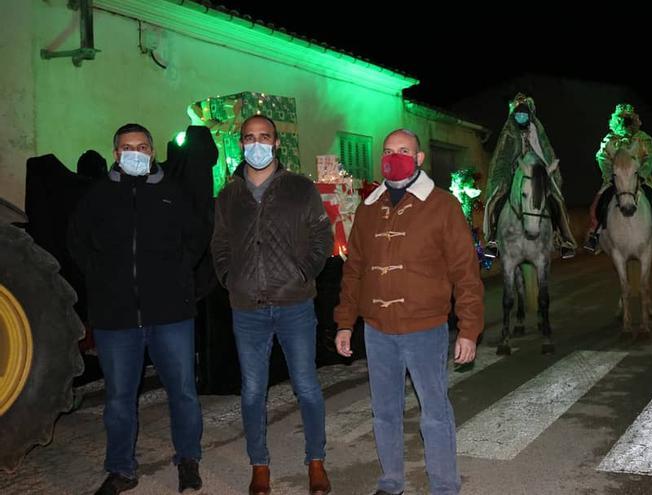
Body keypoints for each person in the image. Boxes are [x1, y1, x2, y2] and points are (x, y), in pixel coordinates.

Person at [334, 129, 484, 495]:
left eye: (404, 151)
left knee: (434, 412)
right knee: (384, 412)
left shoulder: (442, 205)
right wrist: (344, 322)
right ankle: (391, 482)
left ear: (419, 159)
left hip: (424, 328)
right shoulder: (369, 208)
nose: (394, 156)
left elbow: (465, 271)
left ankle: (445, 485)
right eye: (388, 151)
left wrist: (468, 328)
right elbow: (354, 270)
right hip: (377, 330)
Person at [68, 123, 205, 495]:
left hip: (171, 313)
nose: (135, 152)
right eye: (127, 147)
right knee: (118, 398)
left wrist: (177, 275)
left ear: (152, 150)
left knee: (183, 390)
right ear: (115, 153)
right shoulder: (96, 197)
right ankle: (121, 469)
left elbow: (196, 237)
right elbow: (77, 242)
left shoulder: (173, 194)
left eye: (142, 146)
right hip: (116, 317)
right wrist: (101, 278)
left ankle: (188, 459)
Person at [211, 115, 333, 495]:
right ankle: (259, 465)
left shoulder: (300, 188)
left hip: (294, 303)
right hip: (247, 308)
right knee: (252, 391)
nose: (257, 144)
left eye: (264, 137)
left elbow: (321, 236)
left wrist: (304, 273)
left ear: (277, 143)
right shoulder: (229, 195)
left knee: (307, 386)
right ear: (241, 144)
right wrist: (231, 279)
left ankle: (316, 460)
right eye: (250, 138)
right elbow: (220, 244)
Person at [482, 93, 577, 260]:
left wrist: (547, 168)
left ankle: (563, 239)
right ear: (513, 115)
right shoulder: (508, 133)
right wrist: (507, 172)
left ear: (529, 115)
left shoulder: (536, 131)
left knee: (556, 200)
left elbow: (545, 151)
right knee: (494, 201)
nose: (520, 117)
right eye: (517, 114)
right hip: (514, 173)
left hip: (538, 171)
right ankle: (493, 240)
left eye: (523, 114)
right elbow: (501, 158)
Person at [584, 103, 652, 253]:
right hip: (615, 180)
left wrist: (641, 175)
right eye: (621, 120)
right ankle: (594, 233)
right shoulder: (608, 140)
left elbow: (649, 157)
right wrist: (610, 175)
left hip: (640, 179)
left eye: (627, 120)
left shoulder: (643, 138)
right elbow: (601, 158)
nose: (624, 123)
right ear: (616, 121)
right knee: (597, 203)